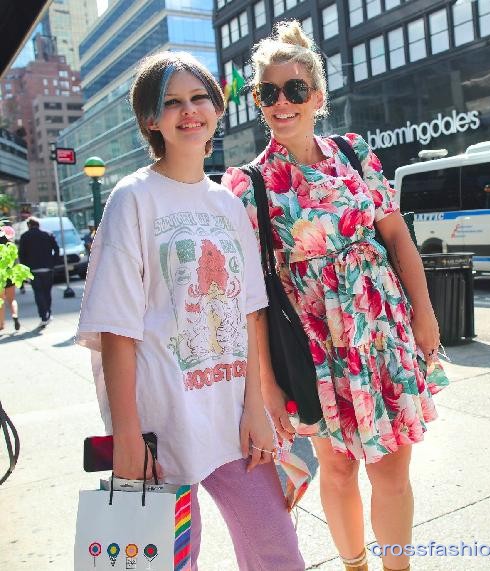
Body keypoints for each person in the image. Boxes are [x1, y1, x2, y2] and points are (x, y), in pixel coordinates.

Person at [223, 21, 449, 571]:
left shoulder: (354, 154)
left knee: (392, 470)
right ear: (258, 101)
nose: (283, 102)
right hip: (316, 347)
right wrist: (269, 383)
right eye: (269, 92)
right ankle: (355, 565)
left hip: (382, 328)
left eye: (295, 90)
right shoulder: (248, 185)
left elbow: (397, 237)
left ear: (317, 97)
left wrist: (424, 314)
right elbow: (254, 296)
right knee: (339, 468)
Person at [76, 51, 304, 571]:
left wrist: (256, 410)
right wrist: (126, 436)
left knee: (277, 549)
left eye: (199, 97)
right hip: (161, 430)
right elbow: (115, 328)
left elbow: (250, 315)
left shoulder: (227, 203)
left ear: (218, 108)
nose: (189, 110)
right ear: (150, 120)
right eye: (171, 102)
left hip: (232, 425)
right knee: (172, 562)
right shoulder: (132, 199)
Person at [18, 217, 59, 328]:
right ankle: (48, 312)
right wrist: (53, 263)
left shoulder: (24, 237)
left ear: (29, 225)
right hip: (47, 268)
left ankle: (43, 316)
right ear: (38, 225)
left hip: (33, 270)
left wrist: (25, 269)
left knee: (38, 293)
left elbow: (21, 254)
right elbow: (57, 249)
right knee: (47, 292)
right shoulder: (47, 235)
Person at [0, 232, 20, 332]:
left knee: (1, 301)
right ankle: (14, 315)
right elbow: (15, 261)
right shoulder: (10, 246)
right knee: (12, 300)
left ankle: (1, 324)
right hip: (9, 276)